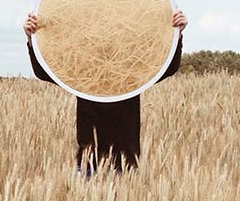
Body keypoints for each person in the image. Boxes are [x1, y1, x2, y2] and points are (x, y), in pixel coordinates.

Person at [25, 10, 188, 177]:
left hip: (125, 166)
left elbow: (167, 68)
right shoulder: (83, 74)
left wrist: (177, 34)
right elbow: (44, 72)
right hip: (90, 165)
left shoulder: (131, 75)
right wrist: (32, 40)